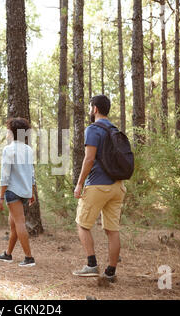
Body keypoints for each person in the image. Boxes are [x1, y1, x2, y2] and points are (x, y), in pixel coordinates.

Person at [72, 95, 127, 285]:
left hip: (97, 185)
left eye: (90, 107)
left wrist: (79, 183)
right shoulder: (115, 129)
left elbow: (89, 159)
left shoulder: (93, 129)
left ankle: (91, 264)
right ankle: (111, 272)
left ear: (94, 109)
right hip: (118, 186)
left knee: (82, 224)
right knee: (112, 230)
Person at [0, 117, 36, 267]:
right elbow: (31, 173)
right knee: (14, 225)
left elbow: (5, 176)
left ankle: (29, 258)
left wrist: (1, 197)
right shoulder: (28, 149)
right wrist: (31, 192)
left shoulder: (8, 149)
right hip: (25, 192)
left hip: (13, 191)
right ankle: (8, 254)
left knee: (19, 223)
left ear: (12, 132)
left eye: (8, 130)